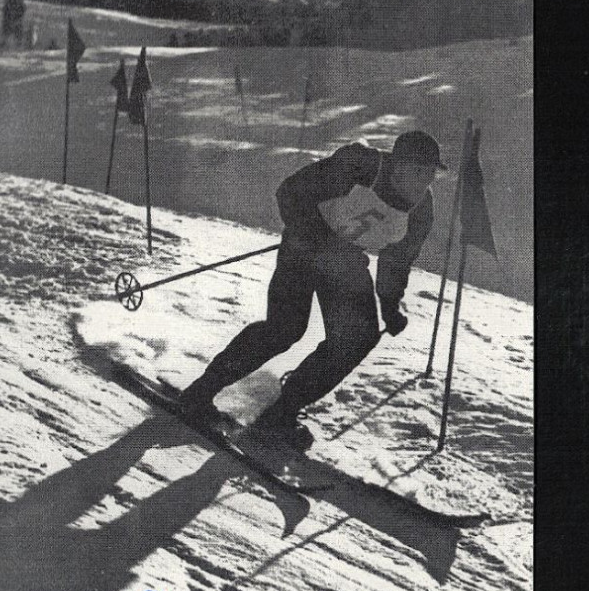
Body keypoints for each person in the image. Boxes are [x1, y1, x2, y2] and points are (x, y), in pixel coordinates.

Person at [180, 130, 446, 446]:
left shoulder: (421, 210)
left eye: (429, 175)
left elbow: (397, 260)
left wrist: (389, 304)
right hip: (305, 246)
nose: (423, 183)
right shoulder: (360, 165)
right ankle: (199, 394)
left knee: (357, 338)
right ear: (397, 164)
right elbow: (290, 192)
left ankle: (280, 415)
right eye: (418, 171)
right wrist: (315, 237)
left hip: (344, 260)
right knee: (285, 329)